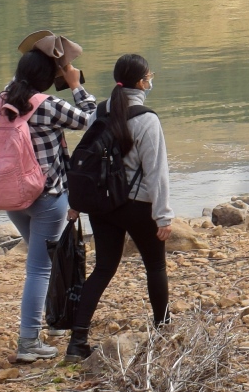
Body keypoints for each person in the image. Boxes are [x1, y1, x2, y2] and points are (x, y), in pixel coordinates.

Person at [0, 33, 97, 364]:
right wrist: (76, 84)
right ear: (49, 78)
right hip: (48, 197)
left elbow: (15, 86)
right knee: (39, 268)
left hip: (12, 197)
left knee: (45, 264)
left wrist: (33, 65)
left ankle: (53, 322)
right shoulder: (51, 106)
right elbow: (92, 120)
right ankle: (28, 341)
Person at [66, 53, 173, 362]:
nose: (151, 80)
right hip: (137, 204)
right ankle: (163, 330)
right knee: (155, 266)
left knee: (102, 269)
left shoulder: (100, 112)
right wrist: (163, 215)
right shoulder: (147, 119)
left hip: (103, 204)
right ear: (141, 83)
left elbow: (86, 142)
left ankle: (77, 342)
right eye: (149, 76)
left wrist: (75, 204)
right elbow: (156, 171)